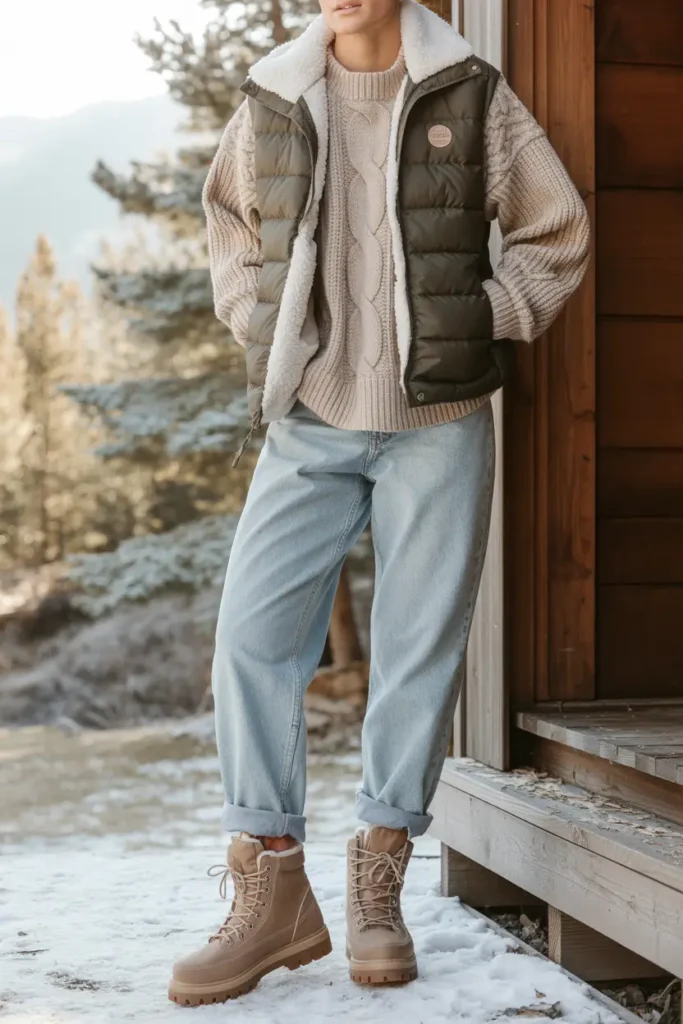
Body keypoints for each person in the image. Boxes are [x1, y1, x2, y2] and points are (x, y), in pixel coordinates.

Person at [169, 0, 589, 1005]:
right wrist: (255, 316)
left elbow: (554, 233)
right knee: (251, 637)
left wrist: (477, 313)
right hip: (308, 416)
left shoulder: (468, 94)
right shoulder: (274, 94)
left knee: (415, 646)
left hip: (436, 420)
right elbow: (228, 218)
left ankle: (377, 877)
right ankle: (270, 886)